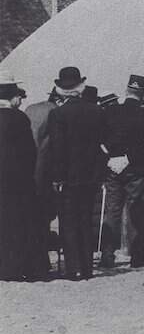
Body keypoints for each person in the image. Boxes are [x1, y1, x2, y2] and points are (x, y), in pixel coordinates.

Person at [47, 67, 108, 281]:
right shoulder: (97, 111)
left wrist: (57, 177)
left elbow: (58, 149)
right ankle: (88, 268)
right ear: (81, 87)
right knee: (85, 219)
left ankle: (73, 269)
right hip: (91, 176)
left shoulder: (57, 114)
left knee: (68, 221)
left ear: (61, 89)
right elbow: (103, 145)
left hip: (68, 177)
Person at [99, 75, 144, 268]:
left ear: (126, 91)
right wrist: (128, 159)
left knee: (112, 211)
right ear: (143, 95)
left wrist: (110, 159)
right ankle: (137, 255)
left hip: (112, 170)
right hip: (136, 170)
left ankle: (107, 255)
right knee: (137, 211)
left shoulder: (110, 112)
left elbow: (99, 140)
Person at [0, 72, 44, 281]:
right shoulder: (18, 118)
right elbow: (29, 152)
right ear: (12, 96)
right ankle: (15, 268)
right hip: (16, 181)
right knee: (17, 225)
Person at [23, 85, 65, 276]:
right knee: (44, 219)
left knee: (31, 219)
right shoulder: (55, 113)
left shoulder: (30, 109)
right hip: (45, 173)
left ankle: (32, 261)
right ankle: (42, 263)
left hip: (25, 172)